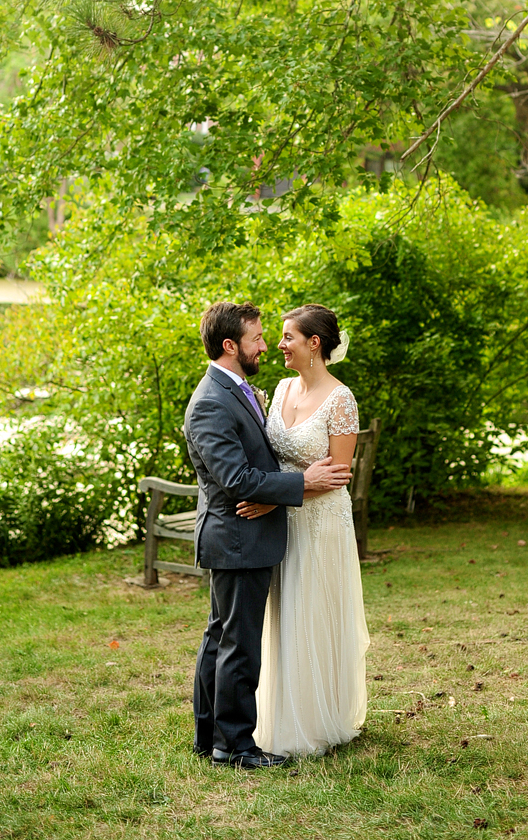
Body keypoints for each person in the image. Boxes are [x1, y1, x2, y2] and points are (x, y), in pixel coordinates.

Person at [184, 300, 351, 770]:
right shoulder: (212, 402)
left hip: (246, 532)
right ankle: (234, 747)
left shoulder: (235, 390)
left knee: (222, 637)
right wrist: (302, 483)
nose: (266, 345)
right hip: (238, 533)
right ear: (231, 345)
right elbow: (235, 479)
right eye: (258, 338)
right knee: (237, 643)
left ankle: (208, 736)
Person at [240, 303, 370, 758]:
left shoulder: (341, 400)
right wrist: (269, 495)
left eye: (288, 337)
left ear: (314, 344)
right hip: (281, 522)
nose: (279, 344)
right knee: (283, 615)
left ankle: (315, 721)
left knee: (313, 614)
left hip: (321, 523)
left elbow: (335, 476)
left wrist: (272, 497)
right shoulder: (279, 389)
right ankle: (275, 715)